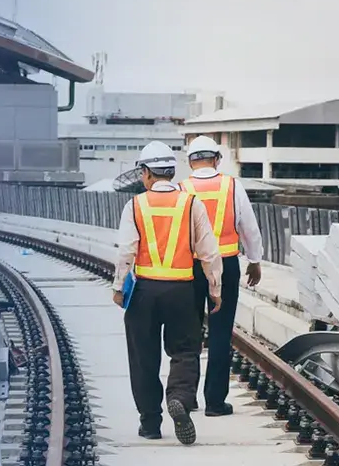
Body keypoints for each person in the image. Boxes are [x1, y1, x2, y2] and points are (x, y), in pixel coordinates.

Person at [112, 141, 224, 445]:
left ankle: (150, 422)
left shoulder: (135, 205)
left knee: (143, 357)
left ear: (146, 173)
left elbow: (126, 251)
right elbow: (210, 253)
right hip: (182, 290)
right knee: (186, 351)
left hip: (145, 291)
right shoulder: (192, 204)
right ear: (172, 172)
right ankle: (180, 397)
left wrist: (119, 287)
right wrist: (215, 288)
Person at [179, 135, 264, 418]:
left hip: (190, 268)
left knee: (189, 332)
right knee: (220, 332)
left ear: (190, 161)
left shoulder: (182, 189)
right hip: (226, 265)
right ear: (217, 159)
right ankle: (215, 402)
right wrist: (255, 261)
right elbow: (249, 228)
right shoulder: (232, 186)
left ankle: (187, 397)